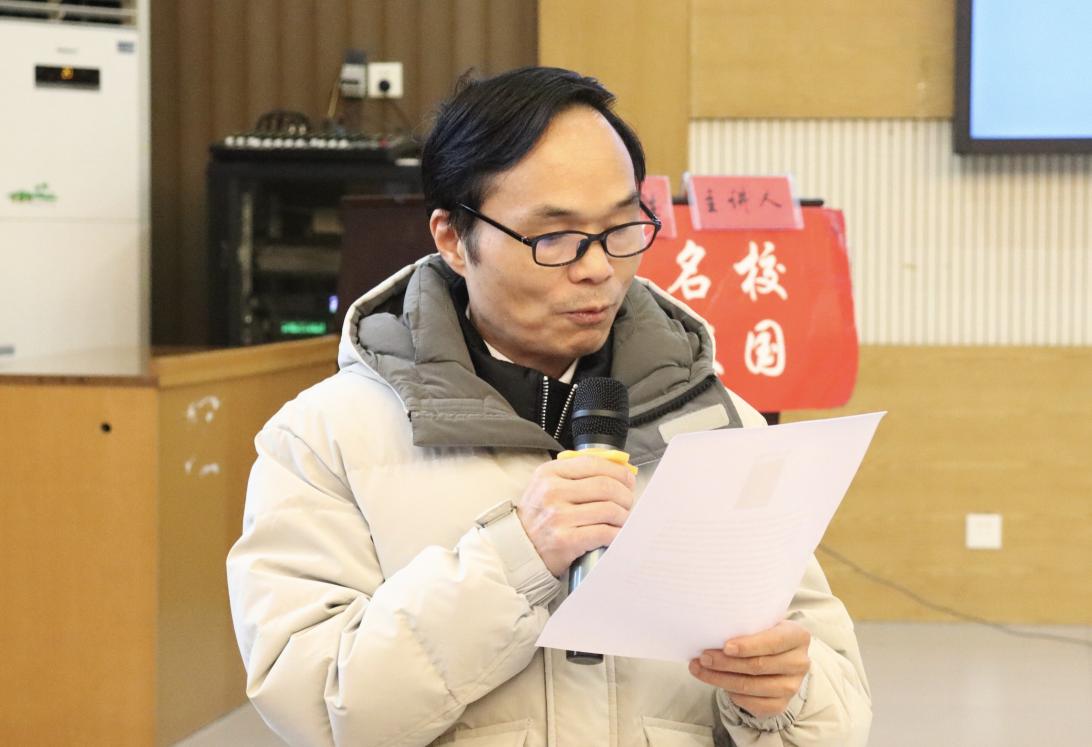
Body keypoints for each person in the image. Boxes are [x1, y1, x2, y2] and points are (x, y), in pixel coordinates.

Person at [227, 66, 871, 747]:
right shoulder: (325, 437)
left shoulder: (721, 425)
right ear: (453, 238)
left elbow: (838, 715)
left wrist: (783, 696)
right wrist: (517, 557)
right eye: (554, 237)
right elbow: (322, 710)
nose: (597, 268)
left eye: (623, 226)